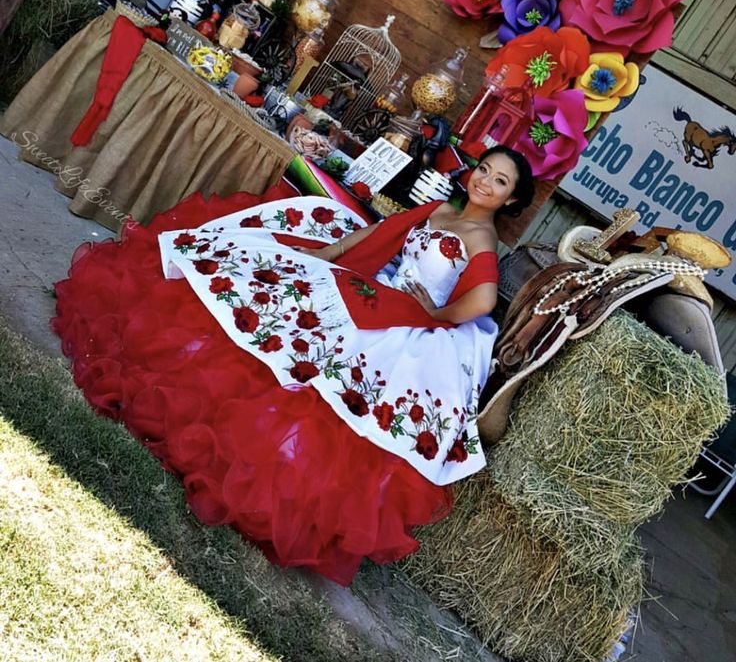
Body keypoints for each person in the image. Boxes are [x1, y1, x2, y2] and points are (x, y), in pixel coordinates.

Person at [53, 145, 534, 585]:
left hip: (405, 314)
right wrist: (324, 255)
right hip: (379, 288)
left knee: (319, 364)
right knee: (270, 293)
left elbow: (483, 300)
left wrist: (434, 315)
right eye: (484, 170)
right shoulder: (442, 210)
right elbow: (377, 232)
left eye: (500, 182)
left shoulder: (481, 237)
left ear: (511, 202)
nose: (485, 182)